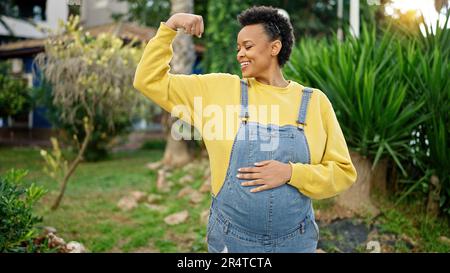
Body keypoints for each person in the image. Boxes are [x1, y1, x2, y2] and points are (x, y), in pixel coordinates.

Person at [133, 5, 357, 253]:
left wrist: (291, 173)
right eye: (238, 48)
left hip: (297, 242)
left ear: (275, 47)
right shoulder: (219, 90)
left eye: (248, 47)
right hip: (232, 242)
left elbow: (342, 172)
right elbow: (148, 80)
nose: (240, 54)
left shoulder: (314, 102)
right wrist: (171, 26)